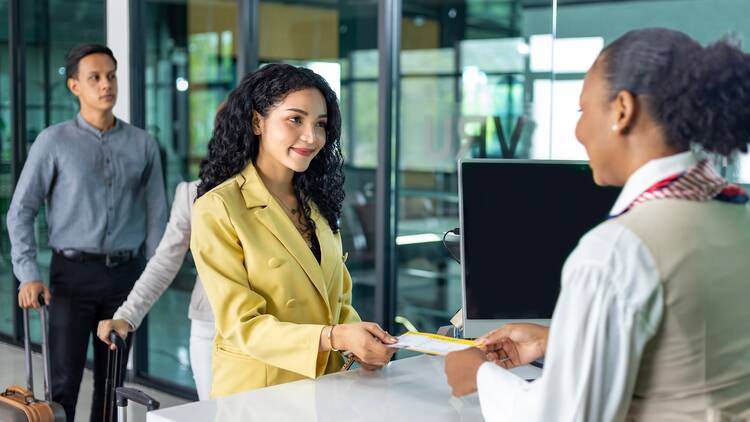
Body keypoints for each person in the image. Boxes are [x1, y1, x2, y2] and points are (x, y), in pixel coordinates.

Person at [444, 28, 750, 421]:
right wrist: (561, 342)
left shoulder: (618, 250)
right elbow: (690, 354)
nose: (578, 132)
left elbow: (564, 417)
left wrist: (480, 375)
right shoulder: (737, 214)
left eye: (583, 111)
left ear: (622, 109)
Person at [191, 63, 397, 398]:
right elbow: (242, 325)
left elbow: (338, 298)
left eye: (320, 124)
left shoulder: (315, 203)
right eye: (295, 119)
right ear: (258, 122)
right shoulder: (219, 208)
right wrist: (335, 337)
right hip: (259, 392)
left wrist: (359, 343)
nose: (311, 137)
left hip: (327, 386)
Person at [7, 44, 167, 422]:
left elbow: (158, 217)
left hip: (126, 278)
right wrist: (27, 274)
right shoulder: (53, 142)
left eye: (110, 75)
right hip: (71, 277)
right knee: (63, 383)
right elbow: (21, 211)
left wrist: (153, 279)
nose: (105, 84)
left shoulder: (143, 144)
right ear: (75, 86)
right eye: (94, 77)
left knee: (113, 388)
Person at [96, 179, 216, 400]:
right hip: (213, 328)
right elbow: (165, 261)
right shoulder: (194, 192)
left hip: (282, 331)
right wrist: (127, 314)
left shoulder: (296, 187)